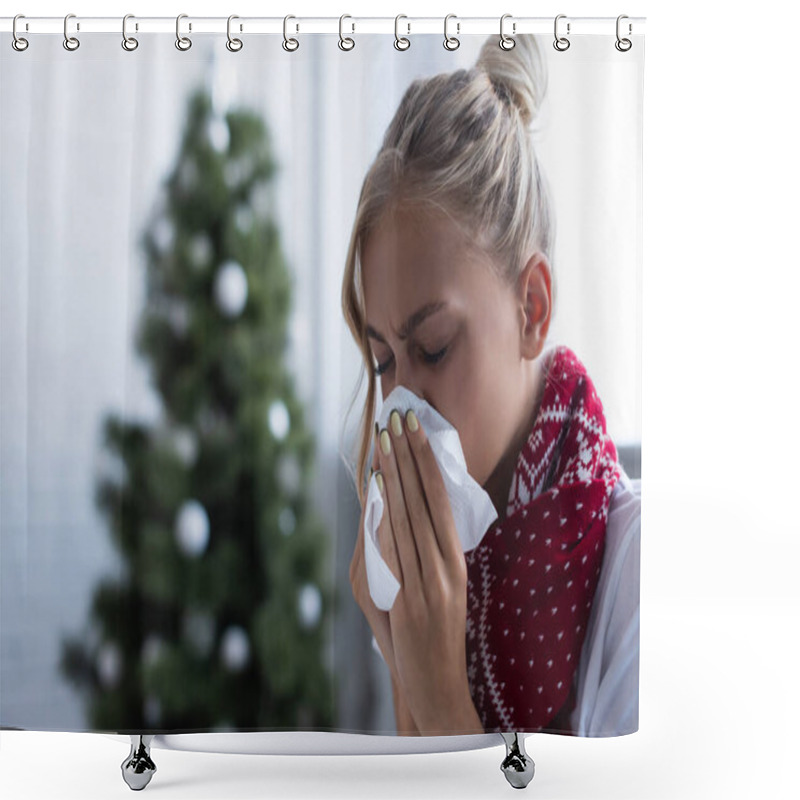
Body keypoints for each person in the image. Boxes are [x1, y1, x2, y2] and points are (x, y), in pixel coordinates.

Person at [343, 33, 639, 737]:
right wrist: (402, 655)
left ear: (531, 308)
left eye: (435, 347)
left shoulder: (640, 574)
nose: (401, 410)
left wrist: (443, 693)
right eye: (384, 362)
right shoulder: (438, 582)